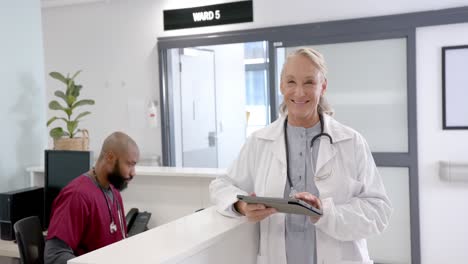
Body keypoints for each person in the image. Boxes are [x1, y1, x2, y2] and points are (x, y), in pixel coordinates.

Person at [210, 48, 392, 264]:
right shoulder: (260, 141)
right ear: (281, 86)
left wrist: (325, 212)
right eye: (291, 82)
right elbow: (221, 186)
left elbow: (379, 211)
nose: (299, 92)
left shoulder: (351, 142)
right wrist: (241, 206)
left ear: (323, 86)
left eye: (309, 82)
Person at [44, 131, 140, 264]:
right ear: (110, 157)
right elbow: (54, 256)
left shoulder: (114, 192)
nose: (133, 172)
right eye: (130, 164)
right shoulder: (76, 195)